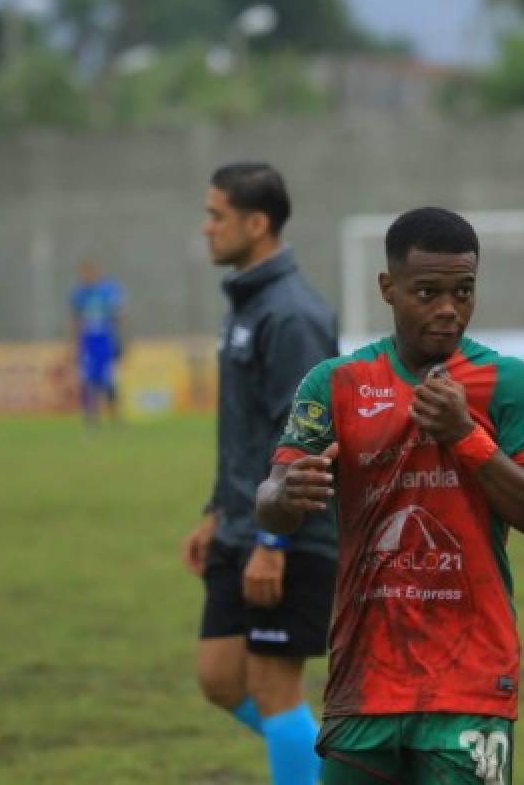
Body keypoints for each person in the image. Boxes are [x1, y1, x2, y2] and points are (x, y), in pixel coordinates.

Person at [256, 206, 524, 784]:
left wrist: (464, 437)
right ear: (389, 288)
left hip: (470, 681)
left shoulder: (508, 382)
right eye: (428, 291)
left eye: (463, 291)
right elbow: (273, 494)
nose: (448, 309)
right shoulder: (337, 382)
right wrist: (286, 494)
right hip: (364, 678)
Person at [180, 162, 339, 785]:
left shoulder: (292, 315)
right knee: (220, 677)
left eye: (216, 215)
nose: (206, 228)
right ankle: (340, 769)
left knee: (276, 687)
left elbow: (304, 436)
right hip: (241, 526)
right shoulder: (248, 304)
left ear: (257, 223)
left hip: (289, 533)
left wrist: (274, 543)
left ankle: (332, 771)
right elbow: (246, 433)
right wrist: (218, 511)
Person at [69, 260, 124, 425]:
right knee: (87, 380)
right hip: (88, 340)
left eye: (91, 273)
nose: (87, 277)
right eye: (85, 273)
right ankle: (91, 416)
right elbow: (75, 319)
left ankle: (115, 415)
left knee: (109, 379)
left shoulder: (108, 291)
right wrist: (74, 343)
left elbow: (117, 316)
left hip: (105, 339)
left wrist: (120, 340)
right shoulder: (79, 294)